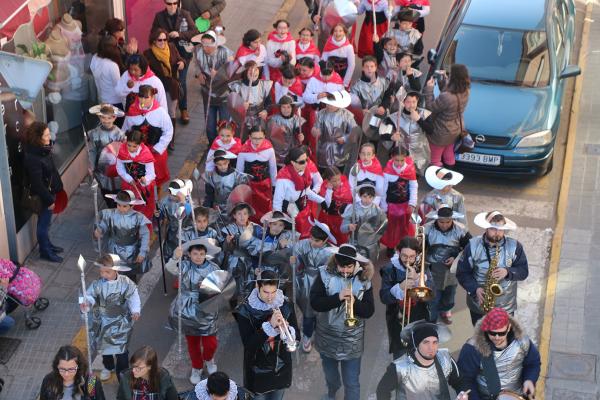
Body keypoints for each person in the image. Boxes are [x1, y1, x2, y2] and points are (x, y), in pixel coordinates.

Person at [310, 244, 375, 400]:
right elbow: (315, 303)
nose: (345, 271)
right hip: (327, 337)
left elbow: (369, 311)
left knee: (352, 382)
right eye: (341, 267)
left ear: (355, 264)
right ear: (336, 263)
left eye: (349, 267)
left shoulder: (364, 279)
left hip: (352, 340)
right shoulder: (324, 274)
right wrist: (337, 298)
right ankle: (332, 392)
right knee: (331, 378)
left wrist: (354, 302)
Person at [234, 270, 299, 400]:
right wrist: (268, 328)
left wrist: (287, 331)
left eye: (274, 292)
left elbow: (297, 336)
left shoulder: (285, 304)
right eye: (266, 292)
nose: (270, 297)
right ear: (257, 287)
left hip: (281, 367)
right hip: (257, 370)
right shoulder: (244, 310)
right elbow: (249, 346)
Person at [456, 211, 528, 324]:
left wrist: (507, 272)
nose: (497, 233)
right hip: (479, 305)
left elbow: (523, 271)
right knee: (480, 338)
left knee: (503, 338)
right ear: (486, 228)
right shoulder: (472, 246)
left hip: (505, 306)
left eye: (500, 229)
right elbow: (462, 273)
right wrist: (475, 289)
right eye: (493, 229)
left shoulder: (515, 246)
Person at [167, 238, 222, 384]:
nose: (198, 257)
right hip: (187, 309)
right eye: (195, 253)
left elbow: (221, 285)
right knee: (193, 343)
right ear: (189, 254)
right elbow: (170, 268)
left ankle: (209, 359)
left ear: (206, 254)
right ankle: (196, 367)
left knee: (211, 343)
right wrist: (175, 257)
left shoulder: (213, 267)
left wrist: (209, 290)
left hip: (207, 308)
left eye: (201, 253)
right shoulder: (184, 265)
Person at [457, 307, 541, 400]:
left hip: (518, 395)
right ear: (486, 328)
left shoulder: (522, 341)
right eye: (492, 333)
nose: (497, 337)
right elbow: (464, 380)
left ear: (509, 327)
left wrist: (529, 379)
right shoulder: (472, 349)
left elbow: (533, 363)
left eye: (501, 333)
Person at [80, 254, 140, 381]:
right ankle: (108, 366)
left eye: (107, 272)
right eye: (101, 271)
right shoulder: (97, 284)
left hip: (121, 322)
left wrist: (135, 310)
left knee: (122, 351)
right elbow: (90, 296)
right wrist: (87, 302)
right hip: (103, 322)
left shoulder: (126, 283)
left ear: (116, 270)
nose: (104, 275)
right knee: (105, 348)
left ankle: (122, 374)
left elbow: (133, 296)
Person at [375, 321, 469, 400]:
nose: (431, 347)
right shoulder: (399, 367)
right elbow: (382, 390)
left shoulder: (445, 358)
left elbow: (460, 381)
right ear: (416, 345)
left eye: (435, 342)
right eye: (426, 342)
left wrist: (463, 394)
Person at [379, 236, 432, 357]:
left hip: (420, 317)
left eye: (412, 256)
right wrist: (400, 287)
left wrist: (419, 280)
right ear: (398, 252)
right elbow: (384, 297)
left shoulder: (424, 267)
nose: (408, 260)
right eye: (404, 256)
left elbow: (431, 295)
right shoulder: (389, 269)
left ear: (417, 254)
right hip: (397, 320)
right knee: (401, 357)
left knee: (421, 355)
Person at [292, 218, 337, 353]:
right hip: (305, 283)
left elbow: (334, 270)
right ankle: (307, 335)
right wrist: (295, 260)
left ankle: (321, 334)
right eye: (311, 238)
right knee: (308, 313)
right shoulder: (305, 244)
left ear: (324, 241)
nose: (312, 242)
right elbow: (297, 257)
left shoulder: (331, 252)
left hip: (323, 285)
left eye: (316, 241)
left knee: (322, 313)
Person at [151, 0, 200, 124]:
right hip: (166, 55)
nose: (172, 6)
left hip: (182, 54)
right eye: (169, 3)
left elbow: (195, 32)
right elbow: (153, 34)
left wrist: (179, 34)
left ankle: (183, 109)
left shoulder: (185, 14)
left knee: (181, 81)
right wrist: (164, 36)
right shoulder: (159, 16)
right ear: (164, 3)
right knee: (170, 81)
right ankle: (171, 105)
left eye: (174, 3)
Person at [23, 121, 65, 263]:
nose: (49, 136)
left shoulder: (41, 149)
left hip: (49, 191)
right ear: (38, 137)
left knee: (46, 223)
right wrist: (50, 200)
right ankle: (45, 251)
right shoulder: (34, 157)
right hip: (44, 196)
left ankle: (48, 246)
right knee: (43, 225)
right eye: (46, 135)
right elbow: (37, 184)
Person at [424, 204, 471, 324]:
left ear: (452, 219)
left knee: (450, 293)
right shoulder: (426, 229)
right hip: (432, 268)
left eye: (448, 222)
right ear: (436, 219)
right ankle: (432, 317)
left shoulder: (461, 230)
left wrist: (456, 258)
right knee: (433, 295)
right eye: (441, 222)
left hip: (452, 269)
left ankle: (446, 310)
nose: (444, 225)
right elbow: (420, 248)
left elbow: (470, 249)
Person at [418, 64, 470, 167]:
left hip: (441, 131)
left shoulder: (447, 97)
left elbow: (431, 107)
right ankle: (449, 177)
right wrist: (443, 81)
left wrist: (429, 89)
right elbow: (450, 94)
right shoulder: (465, 91)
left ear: (454, 77)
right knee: (448, 154)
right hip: (455, 129)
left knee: (434, 159)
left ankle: (439, 181)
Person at [122, 85, 174, 188]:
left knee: (156, 181)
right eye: (141, 97)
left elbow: (169, 131)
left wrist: (158, 147)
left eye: (146, 97)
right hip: (136, 152)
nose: (143, 100)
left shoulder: (160, 113)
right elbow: (124, 131)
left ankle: (156, 201)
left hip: (155, 153)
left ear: (152, 97)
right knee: (137, 180)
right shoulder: (132, 112)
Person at [94, 190, 151, 281]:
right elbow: (105, 225)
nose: (121, 208)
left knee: (130, 275)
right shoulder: (110, 214)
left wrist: (142, 252)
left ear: (132, 205)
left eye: (124, 206)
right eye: (118, 205)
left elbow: (145, 234)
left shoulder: (138, 218)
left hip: (131, 252)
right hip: (114, 250)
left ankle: (130, 290)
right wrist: (100, 230)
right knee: (114, 272)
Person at [144, 28, 185, 148]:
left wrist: (182, 63)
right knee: (159, 112)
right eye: (159, 40)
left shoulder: (171, 47)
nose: (163, 42)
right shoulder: (148, 54)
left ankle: (170, 139)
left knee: (171, 113)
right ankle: (158, 136)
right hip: (157, 88)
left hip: (171, 87)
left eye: (164, 39)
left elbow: (180, 59)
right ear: (153, 41)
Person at [273, 147, 323, 238]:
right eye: (301, 162)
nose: (306, 164)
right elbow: (277, 200)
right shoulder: (283, 178)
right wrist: (279, 219)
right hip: (289, 215)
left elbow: (306, 191)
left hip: (303, 211)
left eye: (306, 160)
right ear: (292, 162)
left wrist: (321, 201)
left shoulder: (305, 172)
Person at [195, 30, 234, 144]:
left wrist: (218, 73)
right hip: (208, 94)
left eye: (208, 45)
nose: (205, 48)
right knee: (210, 126)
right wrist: (198, 74)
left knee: (224, 124)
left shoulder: (226, 53)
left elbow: (232, 71)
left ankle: (225, 145)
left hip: (224, 95)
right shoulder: (198, 50)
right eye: (203, 44)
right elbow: (196, 64)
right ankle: (212, 146)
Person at [379, 147, 417, 255]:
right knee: (391, 228)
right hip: (391, 205)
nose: (399, 163)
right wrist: (384, 205)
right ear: (392, 158)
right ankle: (390, 246)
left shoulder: (410, 170)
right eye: (396, 160)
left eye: (402, 160)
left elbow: (413, 187)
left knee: (404, 227)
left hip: (405, 205)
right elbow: (383, 189)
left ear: (406, 158)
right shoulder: (387, 171)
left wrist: (412, 202)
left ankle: (403, 246)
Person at [381, 92, 430, 175]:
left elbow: (430, 130)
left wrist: (419, 120)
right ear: (403, 102)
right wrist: (391, 137)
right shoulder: (394, 117)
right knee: (401, 176)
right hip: (402, 153)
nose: (411, 105)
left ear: (417, 101)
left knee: (415, 177)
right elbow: (383, 134)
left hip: (420, 152)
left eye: (414, 102)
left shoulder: (424, 114)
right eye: (408, 102)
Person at [236, 126, 278, 222]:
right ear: (249, 137)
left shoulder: (269, 149)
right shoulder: (243, 151)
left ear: (264, 137)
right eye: (254, 138)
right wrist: (239, 188)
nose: (257, 141)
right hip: (250, 186)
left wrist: (275, 186)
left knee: (266, 208)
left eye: (260, 138)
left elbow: (273, 169)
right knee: (251, 209)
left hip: (265, 186)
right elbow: (239, 171)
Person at [86, 104, 125, 207]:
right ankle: (109, 206)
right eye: (103, 117)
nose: (106, 120)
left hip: (116, 168)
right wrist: (92, 166)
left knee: (118, 190)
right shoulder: (95, 133)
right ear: (99, 117)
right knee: (105, 190)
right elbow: (92, 151)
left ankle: (117, 208)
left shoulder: (119, 134)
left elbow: (124, 152)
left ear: (114, 117)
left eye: (109, 118)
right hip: (101, 167)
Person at [116, 129, 157, 222]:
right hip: (129, 184)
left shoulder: (146, 153)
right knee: (129, 206)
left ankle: (145, 222)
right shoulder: (122, 151)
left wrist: (145, 180)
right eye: (129, 145)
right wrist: (128, 179)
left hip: (144, 186)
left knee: (145, 208)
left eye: (134, 146)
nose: (131, 148)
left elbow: (151, 173)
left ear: (140, 144)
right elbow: (120, 168)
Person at [312, 90, 357, 171]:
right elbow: (315, 128)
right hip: (324, 150)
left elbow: (354, 131)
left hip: (340, 151)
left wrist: (344, 138)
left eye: (332, 104)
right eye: (327, 103)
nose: (329, 106)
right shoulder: (321, 114)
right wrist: (314, 131)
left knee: (338, 175)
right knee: (323, 174)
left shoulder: (347, 115)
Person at [40, 345, 105, 400]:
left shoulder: (91, 381)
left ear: (79, 366)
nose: (66, 374)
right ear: (56, 366)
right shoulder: (49, 380)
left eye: (71, 369)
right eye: (62, 369)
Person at [341, 184, 388, 259]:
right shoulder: (353, 208)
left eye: (370, 197)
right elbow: (342, 228)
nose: (367, 199)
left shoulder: (377, 210)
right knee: (355, 263)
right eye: (365, 196)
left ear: (374, 197)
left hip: (371, 245)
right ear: (360, 196)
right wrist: (348, 226)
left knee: (368, 265)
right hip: (355, 242)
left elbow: (383, 226)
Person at [228, 61, 273, 137]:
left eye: (255, 69)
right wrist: (240, 105)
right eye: (250, 70)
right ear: (245, 71)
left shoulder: (265, 85)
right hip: (241, 119)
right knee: (241, 139)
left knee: (256, 141)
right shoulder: (237, 86)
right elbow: (231, 104)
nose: (253, 72)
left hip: (258, 119)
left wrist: (265, 111)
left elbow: (269, 102)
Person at [349, 56, 393, 127]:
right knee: (368, 133)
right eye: (367, 66)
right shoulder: (356, 86)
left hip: (381, 114)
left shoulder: (384, 81)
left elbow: (387, 96)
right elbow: (354, 104)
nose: (369, 69)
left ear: (375, 68)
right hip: (365, 118)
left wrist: (383, 106)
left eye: (372, 66)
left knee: (383, 132)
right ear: (363, 68)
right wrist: (361, 111)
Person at [90, 36, 126, 123]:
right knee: (117, 131)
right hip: (115, 103)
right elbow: (118, 88)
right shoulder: (112, 65)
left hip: (102, 101)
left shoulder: (95, 58)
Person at [157, 179, 194, 262]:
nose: (172, 196)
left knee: (185, 257)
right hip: (171, 234)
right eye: (170, 193)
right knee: (170, 256)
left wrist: (183, 201)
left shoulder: (187, 201)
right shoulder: (165, 201)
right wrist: (157, 215)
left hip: (186, 234)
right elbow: (160, 217)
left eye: (175, 194)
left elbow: (192, 215)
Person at [318, 166, 353, 245]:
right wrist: (329, 190)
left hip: (341, 219)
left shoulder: (345, 184)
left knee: (341, 239)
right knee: (328, 238)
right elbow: (327, 204)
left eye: (339, 179)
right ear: (328, 180)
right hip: (328, 218)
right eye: (334, 181)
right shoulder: (324, 188)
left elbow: (350, 198)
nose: (337, 182)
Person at [267, 96, 305, 167]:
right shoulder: (273, 119)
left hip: (292, 153)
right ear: (280, 108)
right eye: (283, 107)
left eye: (288, 107)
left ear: (292, 108)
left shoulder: (297, 120)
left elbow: (299, 134)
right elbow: (268, 138)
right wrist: (278, 130)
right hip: (277, 154)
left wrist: (301, 137)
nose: (286, 110)